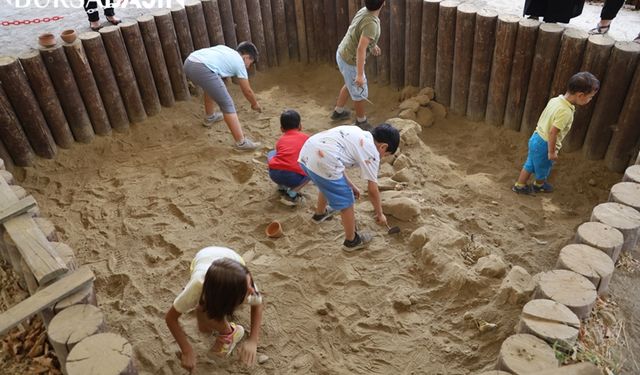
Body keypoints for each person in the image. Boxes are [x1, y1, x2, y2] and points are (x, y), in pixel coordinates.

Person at [299, 123, 399, 251]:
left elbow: (337, 162)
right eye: (385, 154)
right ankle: (352, 241)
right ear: (383, 146)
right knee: (347, 201)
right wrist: (380, 214)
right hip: (323, 161)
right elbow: (373, 190)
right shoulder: (372, 153)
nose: (382, 157)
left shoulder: (357, 132)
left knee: (326, 181)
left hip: (306, 156)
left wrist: (350, 184)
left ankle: (320, 214)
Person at [165, 246, 263, 371]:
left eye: (250, 284)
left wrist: (253, 340)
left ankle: (230, 331)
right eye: (247, 289)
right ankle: (222, 326)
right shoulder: (196, 287)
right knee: (202, 311)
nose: (252, 290)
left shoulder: (243, 281)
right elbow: (170, 318)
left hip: (231, 259)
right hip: (202, 260)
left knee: (205, 316)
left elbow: (258, 304)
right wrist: (187, 350)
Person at [512, 72, 600, 194]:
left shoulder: (556, 100)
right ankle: (539, 185)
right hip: (545, 144)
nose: (590, 100)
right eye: (590, 97)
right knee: (544, 167)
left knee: (530, 163)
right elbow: (553, 132)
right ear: (580, 95)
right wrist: (551, 152)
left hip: (536, 137)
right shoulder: (565, 112)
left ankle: (520, 185)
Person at [183, 42, 262, 151]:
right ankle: (241, 143)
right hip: (201, 67)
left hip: (189, 62)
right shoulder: (239, 62)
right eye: (250, 63)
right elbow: (247, 90)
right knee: (227, 103)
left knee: (210, 87)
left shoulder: (227, 50)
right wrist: (255, 104)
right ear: (246, 57)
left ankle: (210, 117)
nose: (248, 67)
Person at [330, 0, 385, 130]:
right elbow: (360, 48)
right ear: (384, 3)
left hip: (342, 53)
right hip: (350, 60)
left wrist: (372, 45)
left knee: (350, 83)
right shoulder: (372, 23)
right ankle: (361, 121)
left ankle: (338, 112)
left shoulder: (363, 11)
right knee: (359, 93)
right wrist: (360, 74)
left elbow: (358, 32)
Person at [267, 110, 310, 206]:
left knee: (272, 153)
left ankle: (281, 187)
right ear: (300, 126)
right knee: (312, 170)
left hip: (274, 174)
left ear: (282, 129)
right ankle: (292, 192)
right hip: (293, 178)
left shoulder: (281, 140)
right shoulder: (306, 138)